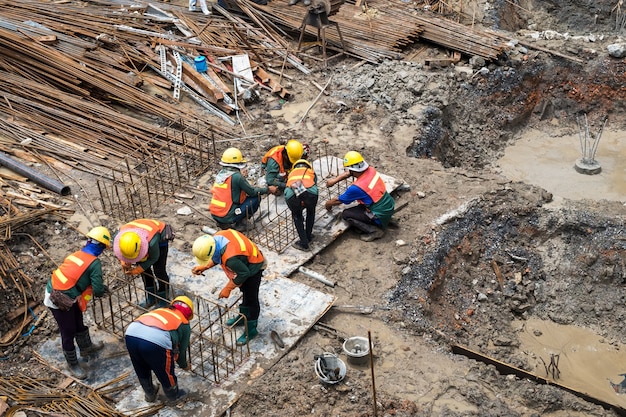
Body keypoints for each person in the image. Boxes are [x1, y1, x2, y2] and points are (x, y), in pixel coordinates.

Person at [44, 226, 112, 379]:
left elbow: (77, 276)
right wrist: (100, 290)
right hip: (58, 300)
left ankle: (86, 347)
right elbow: (98, 289)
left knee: (78, 322)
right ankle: (73, 364)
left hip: (60, 291)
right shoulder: (94, 263)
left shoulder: (77, 254)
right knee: (68, 331)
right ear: (101, 247)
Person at [191, 231, 266, 345]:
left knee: (251, 297)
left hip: (255, 265)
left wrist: (228, 288)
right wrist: (205, 266)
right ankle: (243, 318)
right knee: (245, 292)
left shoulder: (231, 259)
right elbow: (217, 255)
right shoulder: (217, 239)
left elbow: (244, 274)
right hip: (246, 258)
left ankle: (251, 330)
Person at [125, 296, 194, 405]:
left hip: (131, 333)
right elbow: (182, 350)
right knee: (165, 371)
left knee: (140, 365)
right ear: (189, 314)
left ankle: (150, 393)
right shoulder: (184, 323)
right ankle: (174, 396)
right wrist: (184, 365)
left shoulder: (161, 310)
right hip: (155, 340)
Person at [324, 151, 395, 242]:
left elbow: (337, 201)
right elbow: (349, 173)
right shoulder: (371, 170)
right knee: (361, 205)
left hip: (378, 214)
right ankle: (384, 220)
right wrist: (334, 181)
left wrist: (327, 204)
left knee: (346, 214)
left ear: (353, 170)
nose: (348, 171)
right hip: (388, 205)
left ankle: (375, 231)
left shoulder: (357, 188)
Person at [210, 147, 277, 230]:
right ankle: (240, 223)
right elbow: (252, 192)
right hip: (227, 216)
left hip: (215, 214)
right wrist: (268, 189)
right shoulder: (237, 177)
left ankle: (222, 222)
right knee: (255, 198)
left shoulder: (221, 175)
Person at [113, 219, 174, 309]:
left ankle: (163, 299)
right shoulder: (119, 238)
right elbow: (121, 253)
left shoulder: (152, 242)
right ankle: (151, 297)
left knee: (159, 270)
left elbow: (154, 258)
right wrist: (124, 262)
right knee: (145, 272)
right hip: (138, 239)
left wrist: (137, 270)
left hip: (159, 235)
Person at [285, 158, 318, 251]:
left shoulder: (291, 174)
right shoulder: (311, 172)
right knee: (311, 212)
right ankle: (308, 236)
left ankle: (304, 243)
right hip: (311, 194)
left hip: (292, 196)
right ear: (308, 166)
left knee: (297, 216)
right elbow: (315, 183)